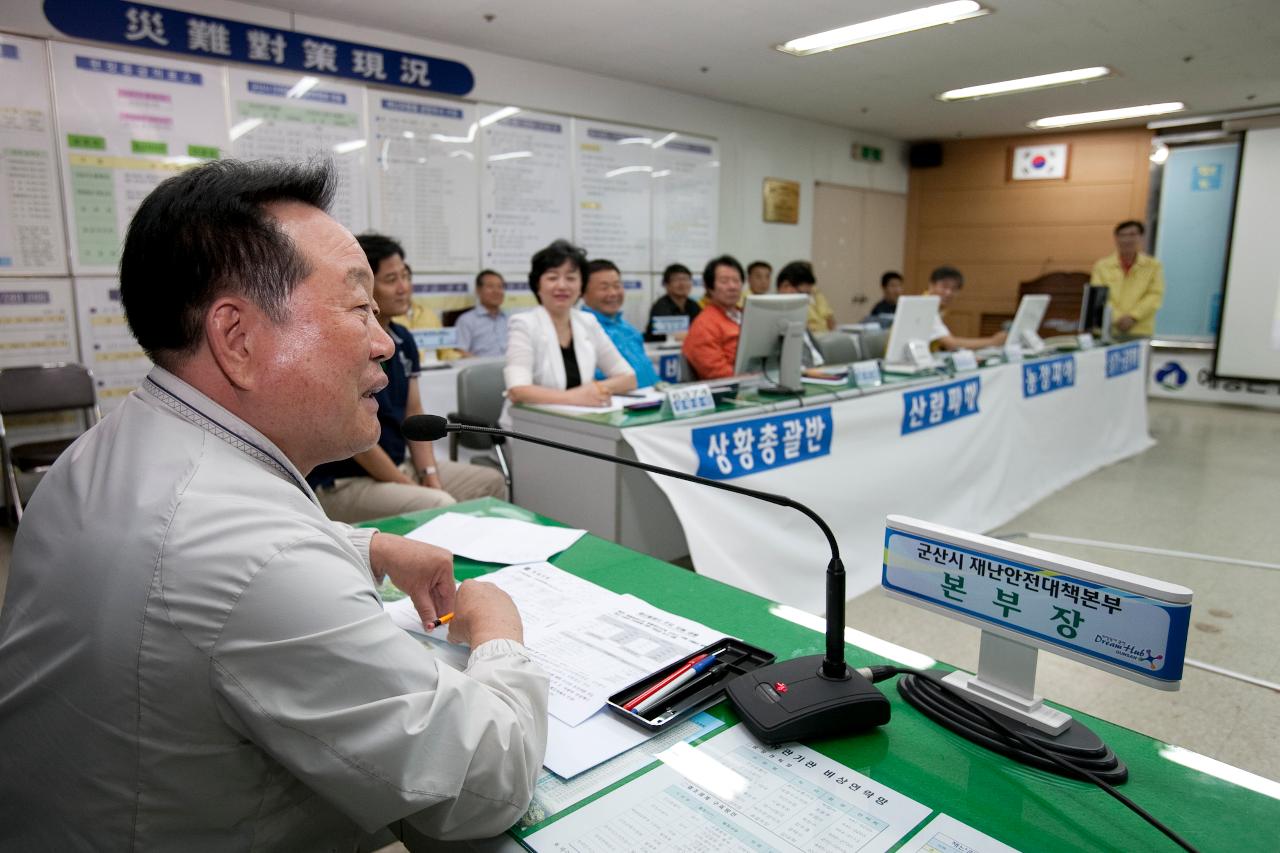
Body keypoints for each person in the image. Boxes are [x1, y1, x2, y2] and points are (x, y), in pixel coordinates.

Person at [0, 160, 548, 848]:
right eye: (357, 308)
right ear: (237, 339)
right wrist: (500, 632)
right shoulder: (254, 555)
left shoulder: (109, 445)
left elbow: (185, 577)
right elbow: (483, 785)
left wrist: (366, 547)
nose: (382, 342)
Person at [307, 233, 507, 523]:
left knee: (489, 482)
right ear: (364, 285)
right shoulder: (343, 342)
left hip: (402, 465)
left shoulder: (403, 338)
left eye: (405, 276)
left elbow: (414, 411)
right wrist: (413, 487)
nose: (404, 289)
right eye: (391, 280)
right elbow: (357, 439)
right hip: (346, 481)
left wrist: (430, 475)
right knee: (438, 503)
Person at [505, 239, 636, 407]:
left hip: (580, 420)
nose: (562, 285)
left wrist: (594, 389)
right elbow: (518, 390)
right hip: (531, 424)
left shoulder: (587, 322)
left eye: (571, 278)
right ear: (538, 285)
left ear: (581, 286)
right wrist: (576, 397)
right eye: (552, 278)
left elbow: (628, 378)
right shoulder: (524, 324)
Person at [580, 258, 659, 387]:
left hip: (651, 401)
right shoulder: (581, 331)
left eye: (617, 286)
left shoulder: (629, 329)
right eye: (604, 288)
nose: (613, 293)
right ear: (582, 292)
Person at [1091, 220, 1165, 339]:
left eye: (1132, 235)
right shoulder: (1102, 266)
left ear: (1141, 237)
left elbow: (1154, 296)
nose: (1127, 240)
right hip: (1108, 329)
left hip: (1140, 329)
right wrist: (1116, 317)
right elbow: (1098, 296)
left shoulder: (1153, 266)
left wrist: (1133, 316)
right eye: (1122, 235)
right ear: (1116, 238)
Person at [682, 254, 745, 379]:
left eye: (736, 281)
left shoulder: (749, 315)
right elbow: (720, 375)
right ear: (709, 288)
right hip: (734, 392)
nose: (732, 287)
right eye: (724, 281)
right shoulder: (704, 325)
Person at [926, 265, 1007, 351]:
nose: (948, 292)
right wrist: (993, 342)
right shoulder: (926, 307)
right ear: (931, 285)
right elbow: (951, 343)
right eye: (944, 286)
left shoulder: (938, 308)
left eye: (954, 289)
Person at [454, 268, 510, 357]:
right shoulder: (466, 320)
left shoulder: (511, 318)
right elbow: (461, 351)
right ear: (478, 290)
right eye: (490, 286)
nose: (496, 291)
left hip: (513, 367)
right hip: (482, 368)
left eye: (500, 287)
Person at [645, 262, 701, 342]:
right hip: (661, 351)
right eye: (676, 280)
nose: (682, 284)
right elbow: (669, 336)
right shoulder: (660, 307)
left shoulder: (693, 305)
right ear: (666, 284)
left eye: (685, 279)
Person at [776, 260, 836, 334]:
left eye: (809, 294)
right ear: (786, 286)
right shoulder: (775, 311)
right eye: (803, 293)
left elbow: (830, 321)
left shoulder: (814, 294)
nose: (807, 298)